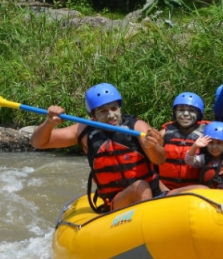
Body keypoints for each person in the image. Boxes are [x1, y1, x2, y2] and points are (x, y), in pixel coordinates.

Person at [30, 83, 203, 213]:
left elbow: (160, 159)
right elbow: (39, 142)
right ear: (93, 115)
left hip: (154, 194)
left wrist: (152, 147)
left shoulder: (137, 126)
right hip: (118, 201)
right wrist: (49, 123)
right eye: (103, 111)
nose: (111, 115)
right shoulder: (83, 131)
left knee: (201, 191)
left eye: (114, 108)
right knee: (139, 187)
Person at [159, 92, 210, 190]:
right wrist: (162, 188)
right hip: (165, 188)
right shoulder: (164, 133)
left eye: (191, 110)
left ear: (199, 114)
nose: (186, 114)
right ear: (175, 113)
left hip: (195, 189)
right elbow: (151, 162)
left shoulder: (207, 133)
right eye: (181, 110)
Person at [184, 121, 223, 189]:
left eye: (219, 143)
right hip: (207, 194)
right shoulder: (204, 158)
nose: (214, 146)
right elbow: (189, 161)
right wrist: (195, 146)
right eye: (211, 142)